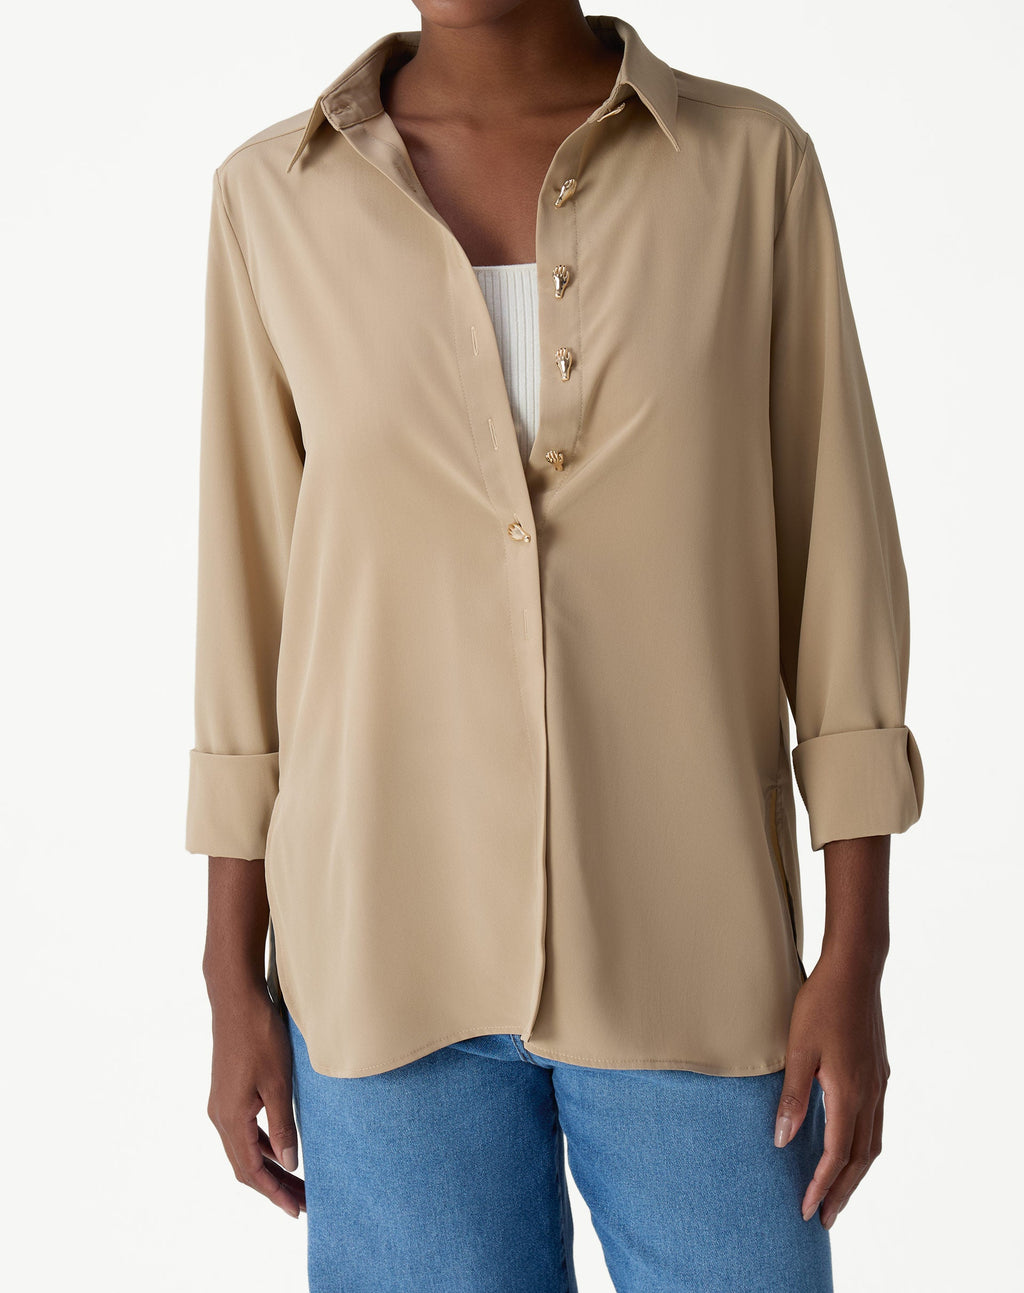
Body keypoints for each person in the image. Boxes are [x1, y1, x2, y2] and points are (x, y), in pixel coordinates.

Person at [186, 4, 924, 1290]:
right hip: (378, 958)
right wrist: (226, 971)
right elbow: (246, 599)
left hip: (694, 951)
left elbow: (837, 565)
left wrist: (855, 953)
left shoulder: (749, 168)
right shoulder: (271, 198)